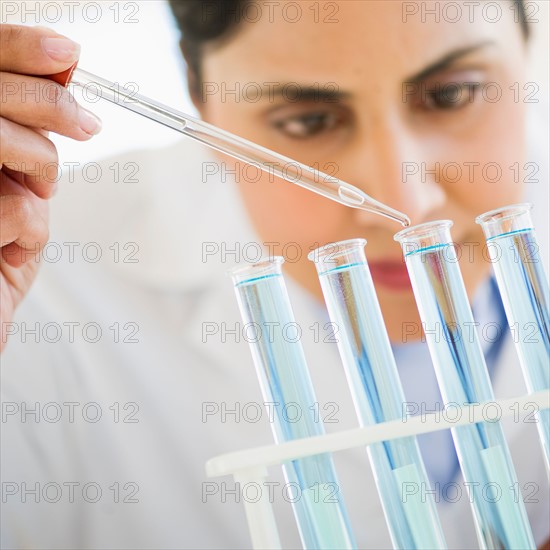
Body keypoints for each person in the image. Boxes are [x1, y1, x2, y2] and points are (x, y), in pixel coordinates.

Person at [1, 1, 548, 548]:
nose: (403, 200)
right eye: (308, 121)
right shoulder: (35, 261)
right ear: (202, 104)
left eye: (453, 94)